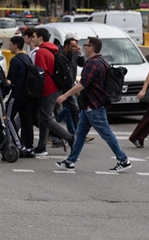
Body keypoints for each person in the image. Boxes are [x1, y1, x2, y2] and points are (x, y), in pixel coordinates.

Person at [54, 37, 132, 172]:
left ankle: (123, 160)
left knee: (106, 133)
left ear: (91, 48)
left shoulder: (93, 63)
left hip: (94, 106)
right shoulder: (101, 61)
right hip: (89, 105)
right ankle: (70, 161)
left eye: (85, 45)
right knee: (80, 134)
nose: (83, 47)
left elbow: (83, 83)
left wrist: (65, 95)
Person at [34, 28, 74, 155]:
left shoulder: (41, 52)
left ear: (40, 38)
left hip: (47, 88)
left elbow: (40, 73)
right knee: (43, 118)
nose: (32, 38)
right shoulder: (53, 49)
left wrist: (35, 91)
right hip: (56, 87)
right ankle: (41, 146)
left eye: (34, 36)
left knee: (46, 118)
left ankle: (69, 138)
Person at [5, 36, 37, 158]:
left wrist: (3, 94)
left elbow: (10, 80)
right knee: (27, 120)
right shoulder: (27, 58)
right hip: (27, 94)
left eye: (11, 45)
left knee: (8, 118)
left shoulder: (15, 60)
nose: (9, 47)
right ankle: (29, 147)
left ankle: (18, 145)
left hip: (17, 94)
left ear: (16, 46)